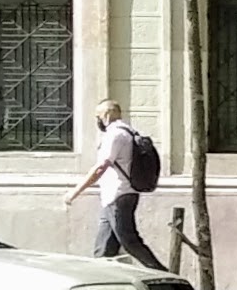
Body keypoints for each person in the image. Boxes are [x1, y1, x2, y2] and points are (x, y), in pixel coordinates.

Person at [66, 100, 168, 270]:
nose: (98, 121)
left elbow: (100, 167)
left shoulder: (115, 135)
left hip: (118, 195)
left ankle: (164, 276)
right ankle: (101, 279)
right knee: (104, 250)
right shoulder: (129, 132)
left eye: (98, 116)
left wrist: (75, 192)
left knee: (130, 241)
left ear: (106, 115)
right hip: (117, 196)